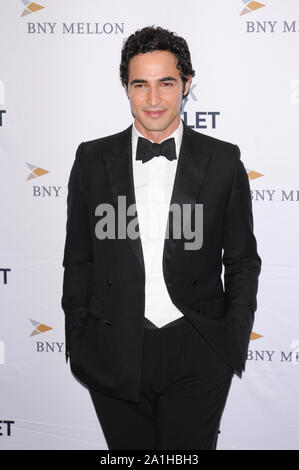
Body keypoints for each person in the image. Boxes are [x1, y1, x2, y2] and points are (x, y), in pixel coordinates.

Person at [61, 25, 262, 450]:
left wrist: (231, 336)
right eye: (141, 85)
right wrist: (79, 337)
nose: (153, 100)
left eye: (166, 83)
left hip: (198, 347)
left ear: (187, 84)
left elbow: (242, 260)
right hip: (112, 344)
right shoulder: (92, 159)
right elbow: (78, 258)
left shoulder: (223, 161)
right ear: (125, 87)